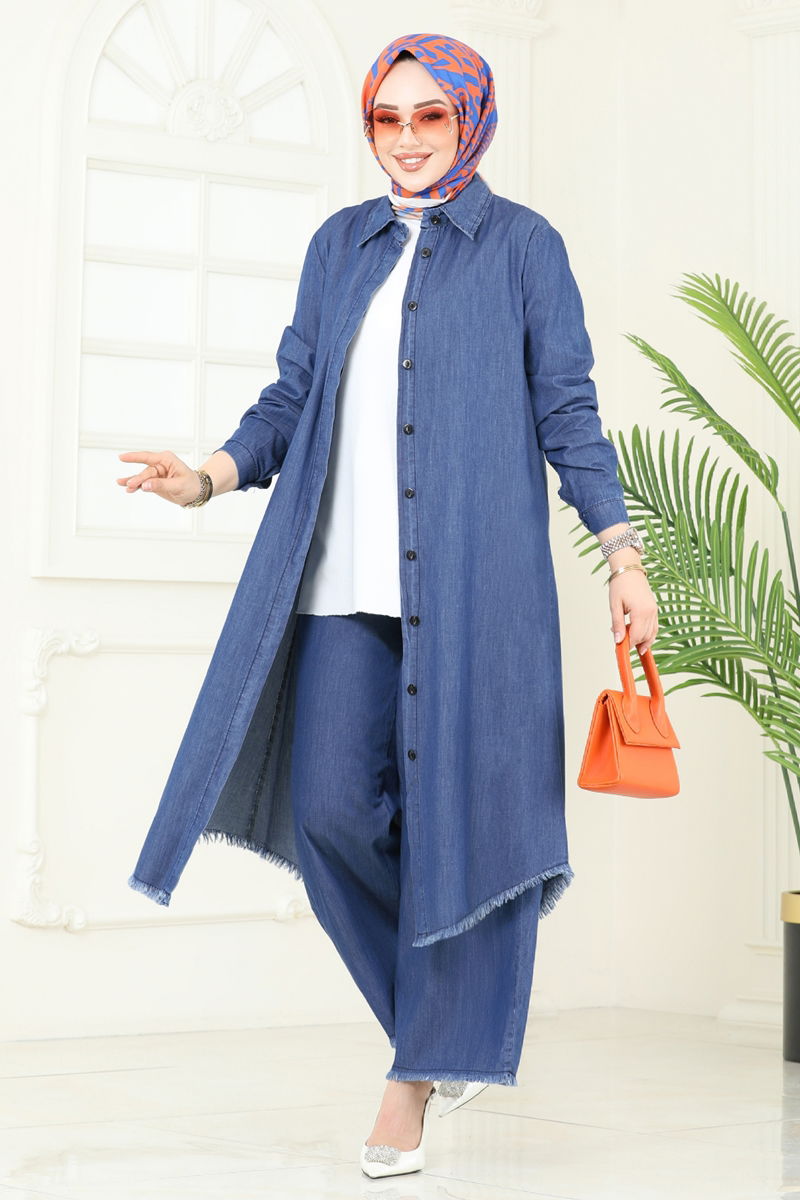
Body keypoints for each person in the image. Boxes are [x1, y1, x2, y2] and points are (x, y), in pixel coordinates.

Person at [118, 33, 658, 1179]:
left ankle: (411, 1078)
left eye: (428, 116)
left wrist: (622, 553)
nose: (406, 139)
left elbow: (566, 411)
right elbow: (291, 397)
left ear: (470, 119)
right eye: (386, 118)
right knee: (328, 814)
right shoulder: (338, 245)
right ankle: (442, 1033)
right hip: (338, 590)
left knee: (472, 823)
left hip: (475, 595)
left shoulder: (523, 247)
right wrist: (207, 475)